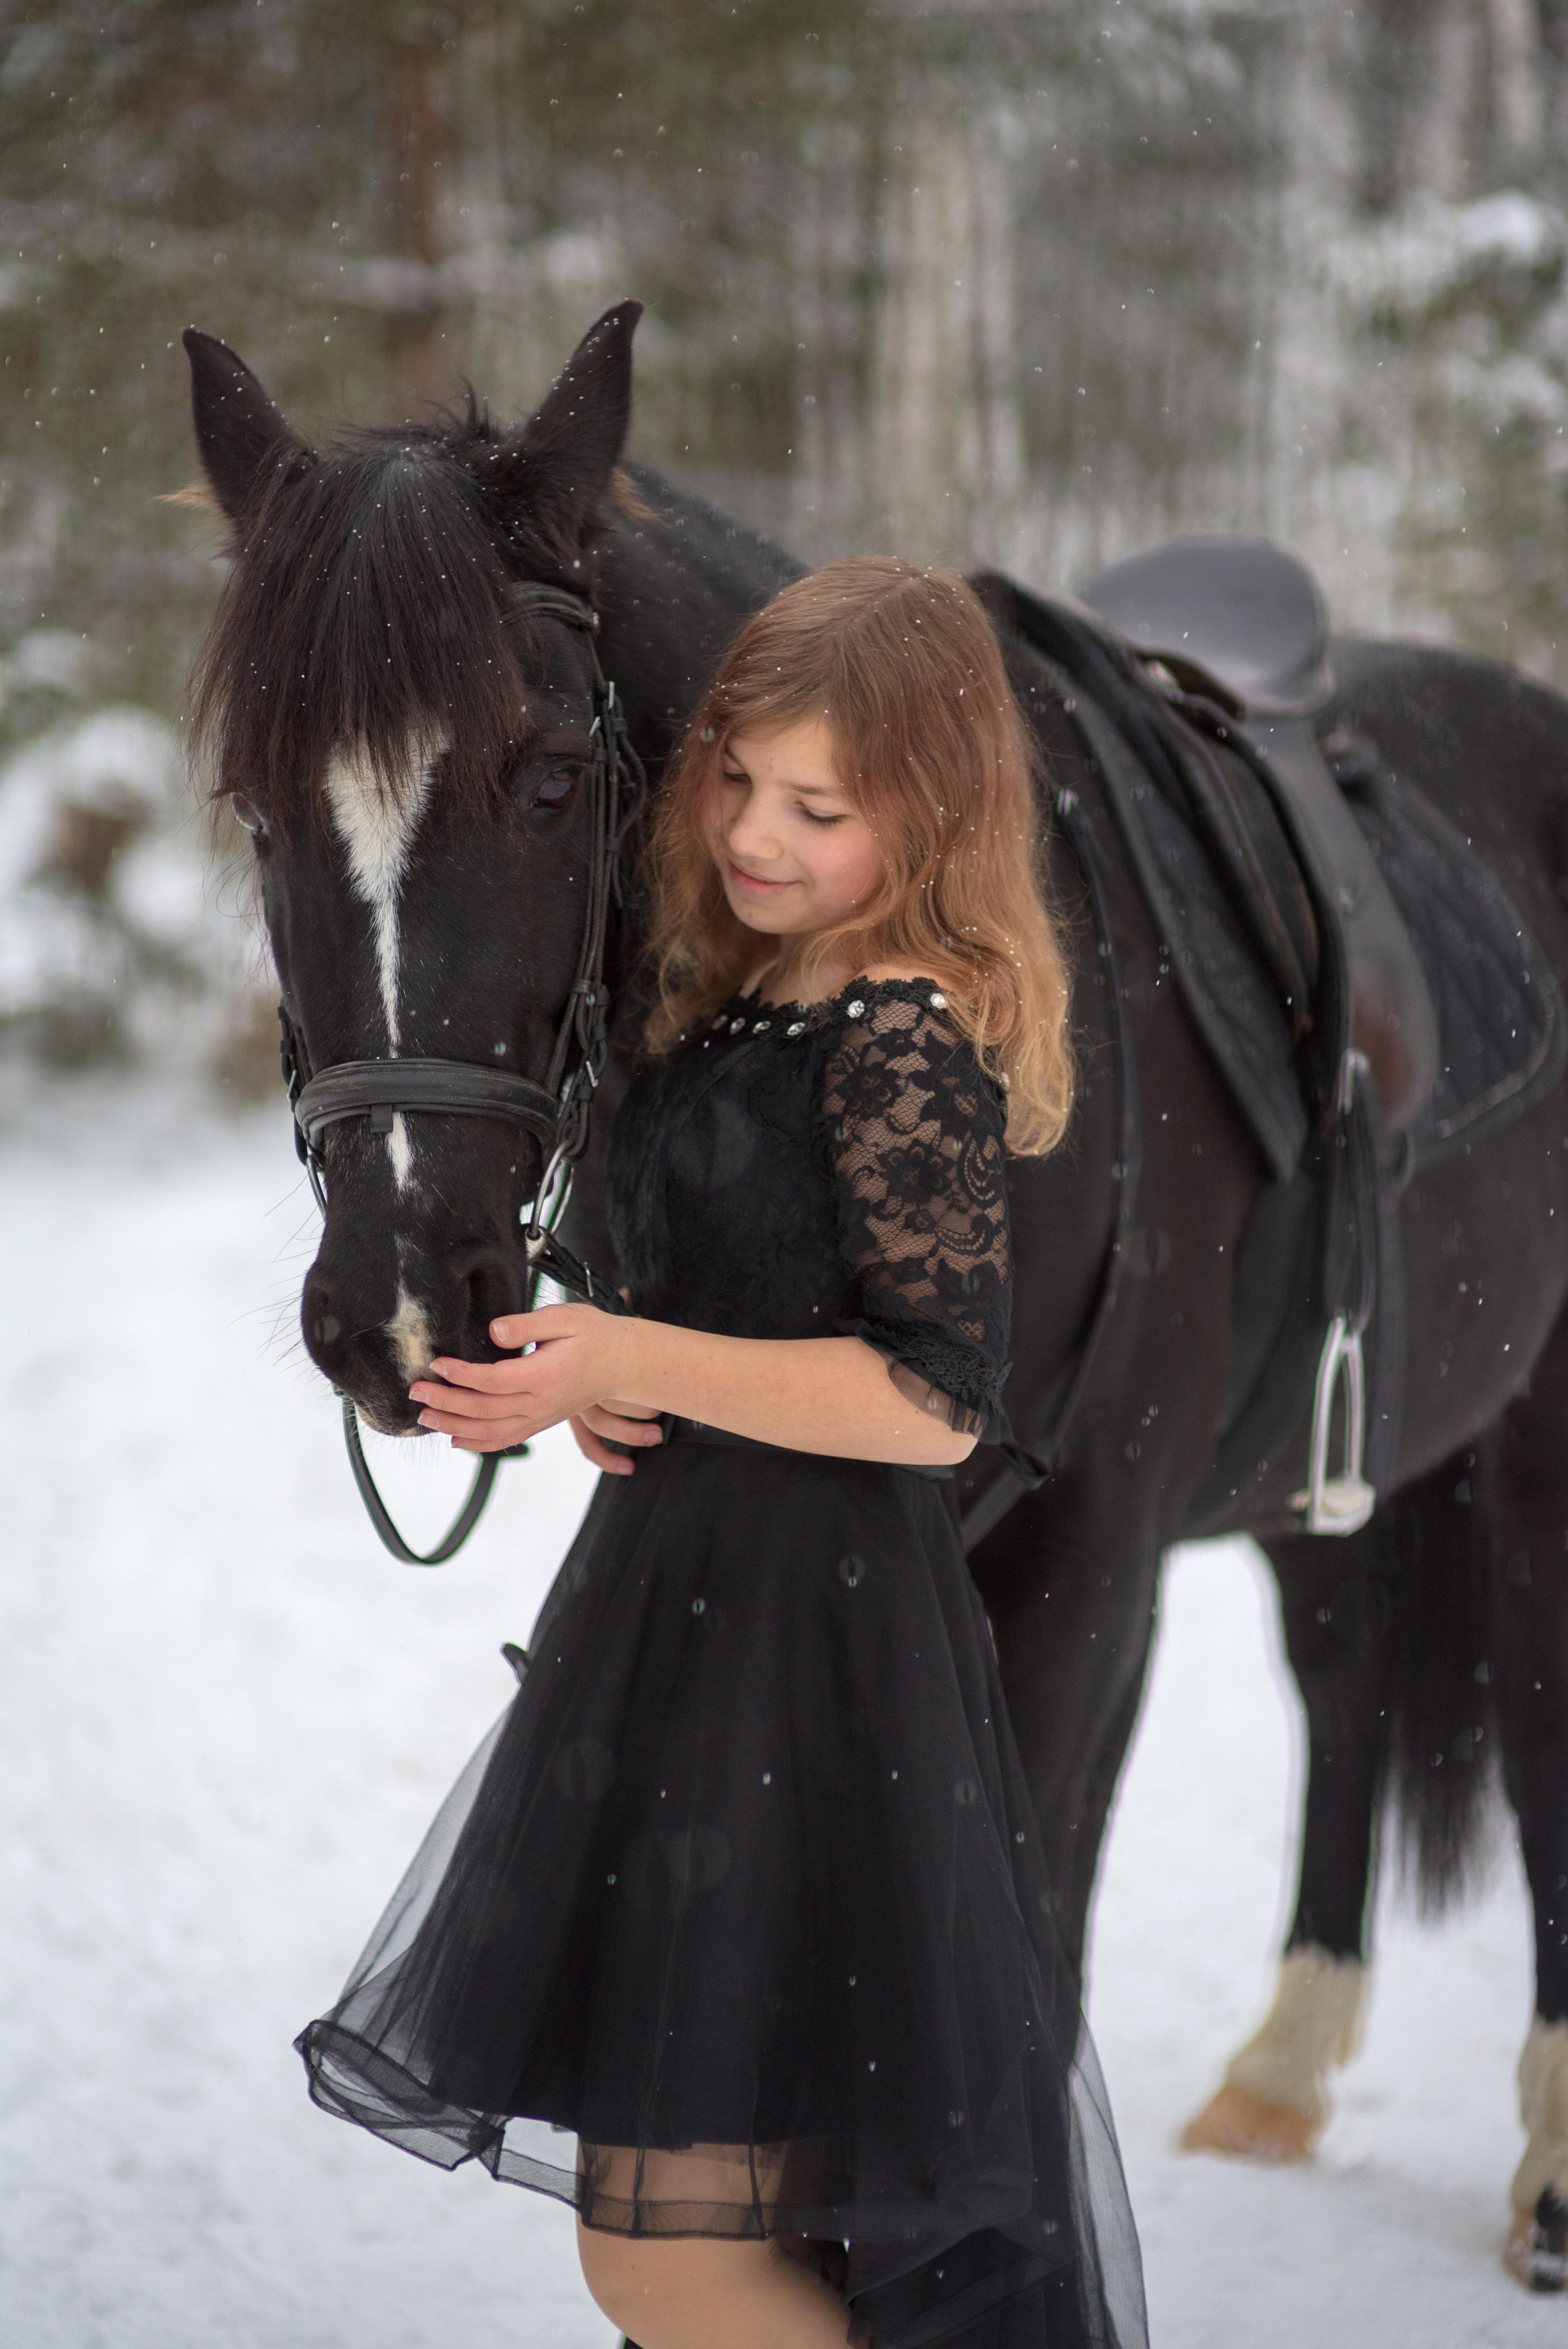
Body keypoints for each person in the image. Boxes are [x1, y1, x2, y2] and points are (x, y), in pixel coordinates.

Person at [296, 558, 1147, 2349]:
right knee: (697, 2234)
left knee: (665, 2251)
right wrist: (609, 1375)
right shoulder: (729, 992)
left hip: (809, 1673)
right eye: (737, 779)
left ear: (934, 821)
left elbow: (934, 1398)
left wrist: (639, 1348)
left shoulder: (897, 1035)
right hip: (681, 1646)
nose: (758, 832)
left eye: (820, 808)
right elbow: (748, 1296)